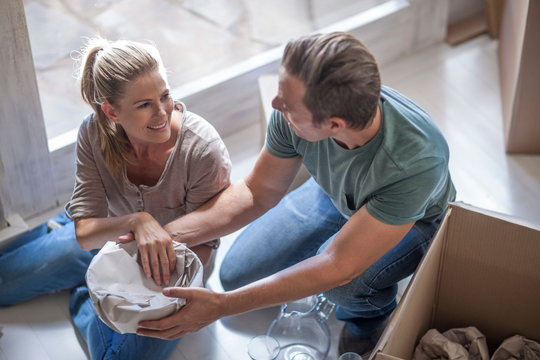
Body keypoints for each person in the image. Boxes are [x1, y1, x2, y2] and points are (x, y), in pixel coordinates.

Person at [135, 32, 456, 357]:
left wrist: (221, 306)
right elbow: (254, 192)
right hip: (334, 195)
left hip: (414, 220)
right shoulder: (294, 113)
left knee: (344, 285)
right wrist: (167, 235)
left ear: (334, 124)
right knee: (235, 275)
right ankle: (330, 251)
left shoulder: (416, 162)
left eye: (287, 106)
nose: (275, 105)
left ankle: (369, 321)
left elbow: (336, 264)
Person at [2, 37, 231, 360]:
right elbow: (85, 234)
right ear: (111, 111)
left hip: (174, 269)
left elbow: (207, 242)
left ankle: (84, 293)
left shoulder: (202, 149)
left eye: (164, 95)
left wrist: (157, 292)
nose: (162, 112)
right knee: (3, 285)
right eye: (144, 105)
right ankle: (65, 251)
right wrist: (138, 221)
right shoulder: (93, 132)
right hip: (107, 238)